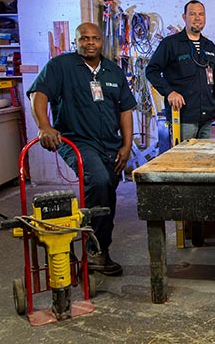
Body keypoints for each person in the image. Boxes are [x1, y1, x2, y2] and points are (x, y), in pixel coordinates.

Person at [27, 22, 136, 276]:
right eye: (84, 38)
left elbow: (125, 109)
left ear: (101, 41)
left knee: (106, 191)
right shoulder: (60, 67)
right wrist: (44, 126)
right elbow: (38, 94)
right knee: (97, 180)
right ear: (76, 41)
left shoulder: (112, 71)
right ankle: (93, 251)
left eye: (95, 38)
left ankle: (99, 249)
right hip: (76, 141)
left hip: (109, 145)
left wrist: (127, 145)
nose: (90, 43)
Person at [146, 0, 215, 140]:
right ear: (184, 17)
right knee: (184, 159)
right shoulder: (171, 44)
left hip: (207, 118)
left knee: (205, 159)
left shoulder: (209, 46)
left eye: (201, 14)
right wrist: (169, 92)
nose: (197, 18)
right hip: (183, 117)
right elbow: (151, 70)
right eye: (192, 14)